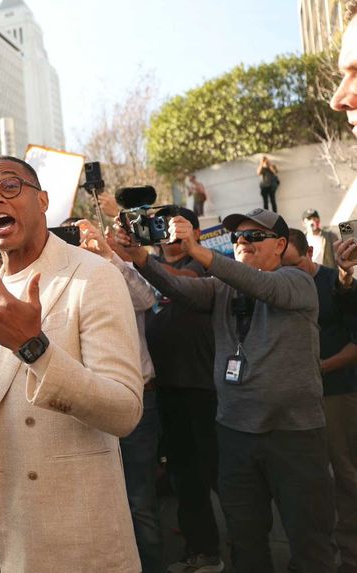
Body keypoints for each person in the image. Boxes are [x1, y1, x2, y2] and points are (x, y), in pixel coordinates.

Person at [0, 156, 144, 573]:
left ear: (42, 200)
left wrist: (34, 348)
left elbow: (124, 410)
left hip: (75, 541)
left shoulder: (93, 276)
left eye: (9, 187)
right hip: (5, 541)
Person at [124, 207, 334, 571]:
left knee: (310, 541)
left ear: (280, 245)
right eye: (237, 237)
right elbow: (178, 287)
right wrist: (140, 258)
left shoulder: (297, 281)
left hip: (294, 434)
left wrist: (197, 251)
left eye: (255, 236)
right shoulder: (222, 287)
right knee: (245, 539)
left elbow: (262, 286)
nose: (243, 242)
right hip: (235, 433)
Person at [76, 219, 162, 573]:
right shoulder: (65, 282)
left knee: (140, 500)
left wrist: (107, 254)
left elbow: (146, 298)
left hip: (137, 398)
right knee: (101, 501)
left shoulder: (115, 269)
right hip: (88, 408)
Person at [141, 211, 221, 573]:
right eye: (159, 225)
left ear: (196, 232)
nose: (165, 231)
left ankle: (248, 550)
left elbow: (181, 282)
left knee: (220, 473)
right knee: (184, 477)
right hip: (165, 390)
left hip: (204, 387)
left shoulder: (205, 265)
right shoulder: (144, 267)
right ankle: (201, 551)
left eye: (173, 224)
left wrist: (139, 261)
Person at [283, 229, 357, 572]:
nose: (290, 275)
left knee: (345, 475)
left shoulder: (334, 283)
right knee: (306, 481)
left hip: (336, 392)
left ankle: (351, 555)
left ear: (310, 252)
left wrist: (321, 367)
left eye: (295, 265)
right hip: (295, 399)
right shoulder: (277, 285)